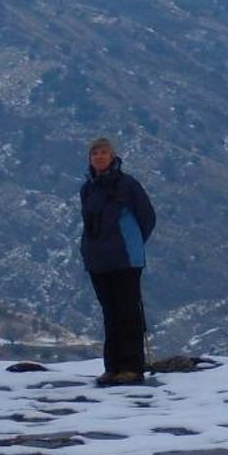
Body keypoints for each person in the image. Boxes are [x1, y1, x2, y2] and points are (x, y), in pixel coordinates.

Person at [79, 135, 156, 386]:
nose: (99, 157)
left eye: (103, 153)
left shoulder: (127, 185)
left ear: (112, 156)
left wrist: (132, 243)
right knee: (110, 313)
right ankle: (112, 367)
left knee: (128, 313)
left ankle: (132, 367)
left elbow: (147, 217)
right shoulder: (88, 188)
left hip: (124, 260)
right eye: (95, 153)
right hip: (98, 260)